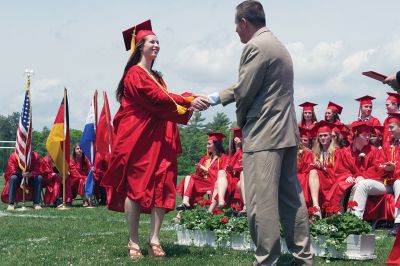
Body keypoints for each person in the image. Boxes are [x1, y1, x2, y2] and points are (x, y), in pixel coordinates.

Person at [193, 1, 313, 264]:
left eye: (236, 24)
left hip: (264, 135)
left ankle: (266, 259)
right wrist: (216, 97)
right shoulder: (278, 46)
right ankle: (303, 257)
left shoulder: (255, 47)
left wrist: (222, 105)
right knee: (291, 199)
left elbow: (245, 91)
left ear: (244, 22)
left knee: (261, 204)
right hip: (285, 133)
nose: (236, 31)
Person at [100, 19, 194, 259]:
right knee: (136, 188)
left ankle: (154, 238)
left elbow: (163, 105)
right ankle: (133, 241)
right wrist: (188, 99)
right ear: (139, 46)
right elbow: (156, 99)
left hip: (161, 138)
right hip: (139, 140)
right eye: (152, 41)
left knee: (162, 187)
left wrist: (185, 104)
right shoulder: (134, 74)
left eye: (158, 41)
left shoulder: (157, 76)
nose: (157, 45)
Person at [350, 113, 400, 236]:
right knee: (362, 184)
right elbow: (378, 164)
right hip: (386, 182)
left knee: (399, 182)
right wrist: (384, 167)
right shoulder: (388, 145)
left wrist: (395, 168)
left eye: (392, 127)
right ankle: (355, 223)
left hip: (397, 180)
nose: (388, 130)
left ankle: (398, 224)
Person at [325, 122, 380, 210]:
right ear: (356, 135)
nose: (368, 137)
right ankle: (336, 214)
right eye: (365, 135)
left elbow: (376, 168)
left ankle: (351, 215)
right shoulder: (344, 152)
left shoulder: (374, 151)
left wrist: (363, 176)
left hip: (365, 181)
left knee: (356, 186)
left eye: (369, 135)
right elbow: (340, 168)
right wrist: (347, 176)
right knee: (340, 185)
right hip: (350, 180)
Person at [176, 132, 227, 211]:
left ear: (216, 145)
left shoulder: (223, 158)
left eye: (209, 144)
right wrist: (200, 169)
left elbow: (222, 175)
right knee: (189, 177)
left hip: (213, 183)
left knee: (191, 181)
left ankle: (183, 209)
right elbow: (198, 175)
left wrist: (206, 169)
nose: (207, 146)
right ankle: (185, 202)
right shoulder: (205, 159)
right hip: (204, 182)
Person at [307, 121, 338, 217]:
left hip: (332, 179)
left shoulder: (337, 152)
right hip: (320, 179)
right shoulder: (315, 152)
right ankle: (316, 207)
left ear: (330, 137)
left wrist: (323, 168)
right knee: (312, 171)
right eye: (320, 136)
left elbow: (338, 171)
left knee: (313, 172)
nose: (323, 138)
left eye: (325, 135)